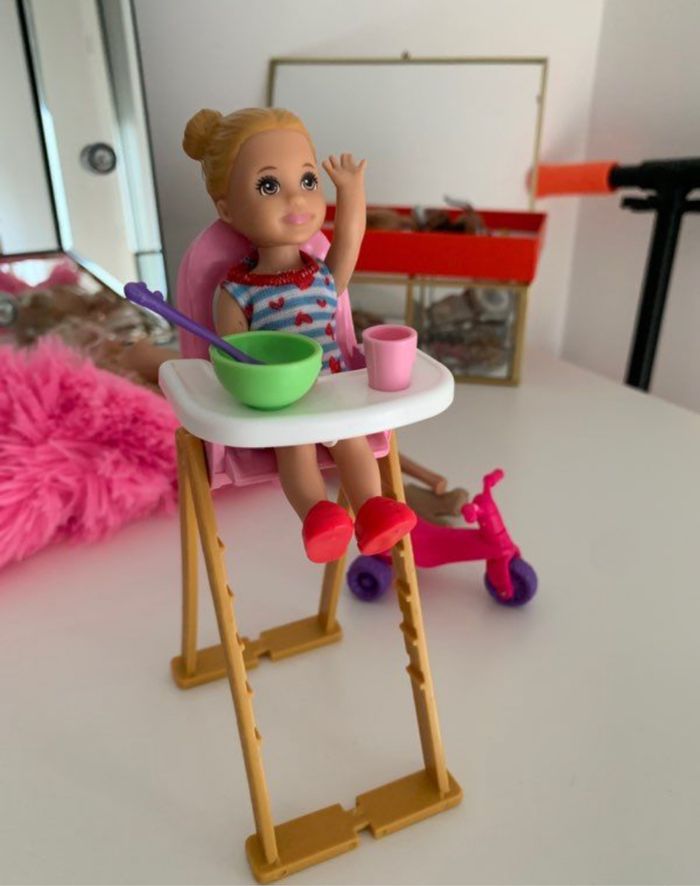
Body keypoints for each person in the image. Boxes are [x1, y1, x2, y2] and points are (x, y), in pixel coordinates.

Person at [183, 106, 416, 563]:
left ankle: (373, 509)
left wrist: (351, 190)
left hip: (334, 391)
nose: (296, 199)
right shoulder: (236, 291)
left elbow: (351, 239)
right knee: (295, 451)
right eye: (269, 187)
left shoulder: (324, 276)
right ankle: (318, 516)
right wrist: (254, 381)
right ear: (227, 208)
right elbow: (231, 356)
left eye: (308, 181)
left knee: (353, 442)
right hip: (281, 401)